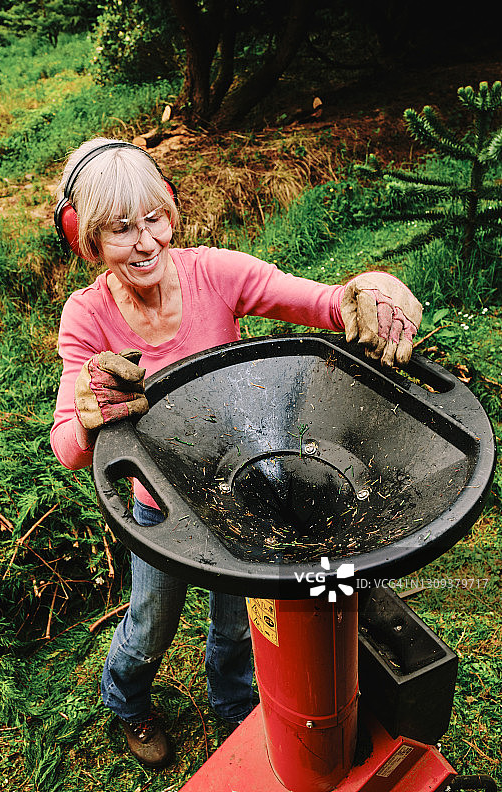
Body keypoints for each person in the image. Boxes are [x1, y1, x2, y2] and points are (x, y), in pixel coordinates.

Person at [50, 137, 422, 768]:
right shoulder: (86, 317)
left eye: (154, 218)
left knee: (239, 624)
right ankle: (127, 700)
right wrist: (89, 408)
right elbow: (67, 447)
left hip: (235, 491)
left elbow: (318, 301)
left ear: (169, 209)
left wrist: (366, 291)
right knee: (149, 627)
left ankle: (234, 705)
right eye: (121, 229)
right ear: (86, 240)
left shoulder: (212, 274)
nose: (146, 242)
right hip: (158, 509)